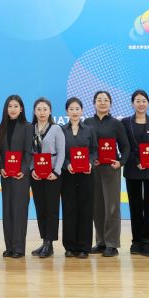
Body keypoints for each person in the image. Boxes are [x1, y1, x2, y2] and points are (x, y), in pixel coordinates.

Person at [84, 91, 129, 257]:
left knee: (112, 207)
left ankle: (112, 244)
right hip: (93, 169)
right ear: (94, 103)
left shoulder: (116, 124)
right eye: (99, 100)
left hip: (111, 169)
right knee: (97, 207)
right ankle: (101, 242)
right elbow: (85, 145)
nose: (102, 102)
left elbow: (125, 147)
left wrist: (120, 162)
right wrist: (89, 161)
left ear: (110, 103)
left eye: (106, 100)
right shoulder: (87, 123)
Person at [121, 90, 149, 257]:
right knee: (135, 206)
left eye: (144, 101)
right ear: (132, 103)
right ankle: (137, 241)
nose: (141, 104)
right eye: (138, 101)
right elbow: (124, 146)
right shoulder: (125, 122)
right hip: (133, 169)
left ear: (148, 103)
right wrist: (136, 161)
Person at [60, 97, 98, 258]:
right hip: (68, 175)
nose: (74, 112)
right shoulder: (61, 130)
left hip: (86, 175)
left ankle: (84, 247)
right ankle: (69, 246)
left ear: (82, 111)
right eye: (71, 109)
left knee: (85, 210)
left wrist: (90, 163)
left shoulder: (89, 130)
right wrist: (67, 164)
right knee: (69, 209)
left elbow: (95, 151)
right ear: (67, 112)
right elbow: (59, 152)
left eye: (77, 109)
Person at [0, 95, 33, 258]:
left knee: (19, 210)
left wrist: (23, 170)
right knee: (7, 210)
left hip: (21, 176)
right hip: (6, 175)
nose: (12, 109)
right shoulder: (1, 127)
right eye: (10, 106)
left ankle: (18, 248)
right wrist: (1, 168)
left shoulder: (27, 127)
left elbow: (29, 152)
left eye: (16, 106)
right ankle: (9, 247)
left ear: (21, 109)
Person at [29, 97, 65, 258]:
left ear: (50, 111)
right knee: (40, 208)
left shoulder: (56, 129)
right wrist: (32, 170)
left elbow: (61, 152)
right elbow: (29, 153)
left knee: (52, 209)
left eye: (45, 109)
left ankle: (50, 243)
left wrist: (56, 172)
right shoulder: (31, 129)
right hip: (36, 175)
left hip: (52, 175)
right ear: (34, 111)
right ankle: (44, 241)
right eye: (39, 109)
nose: (42, 112)